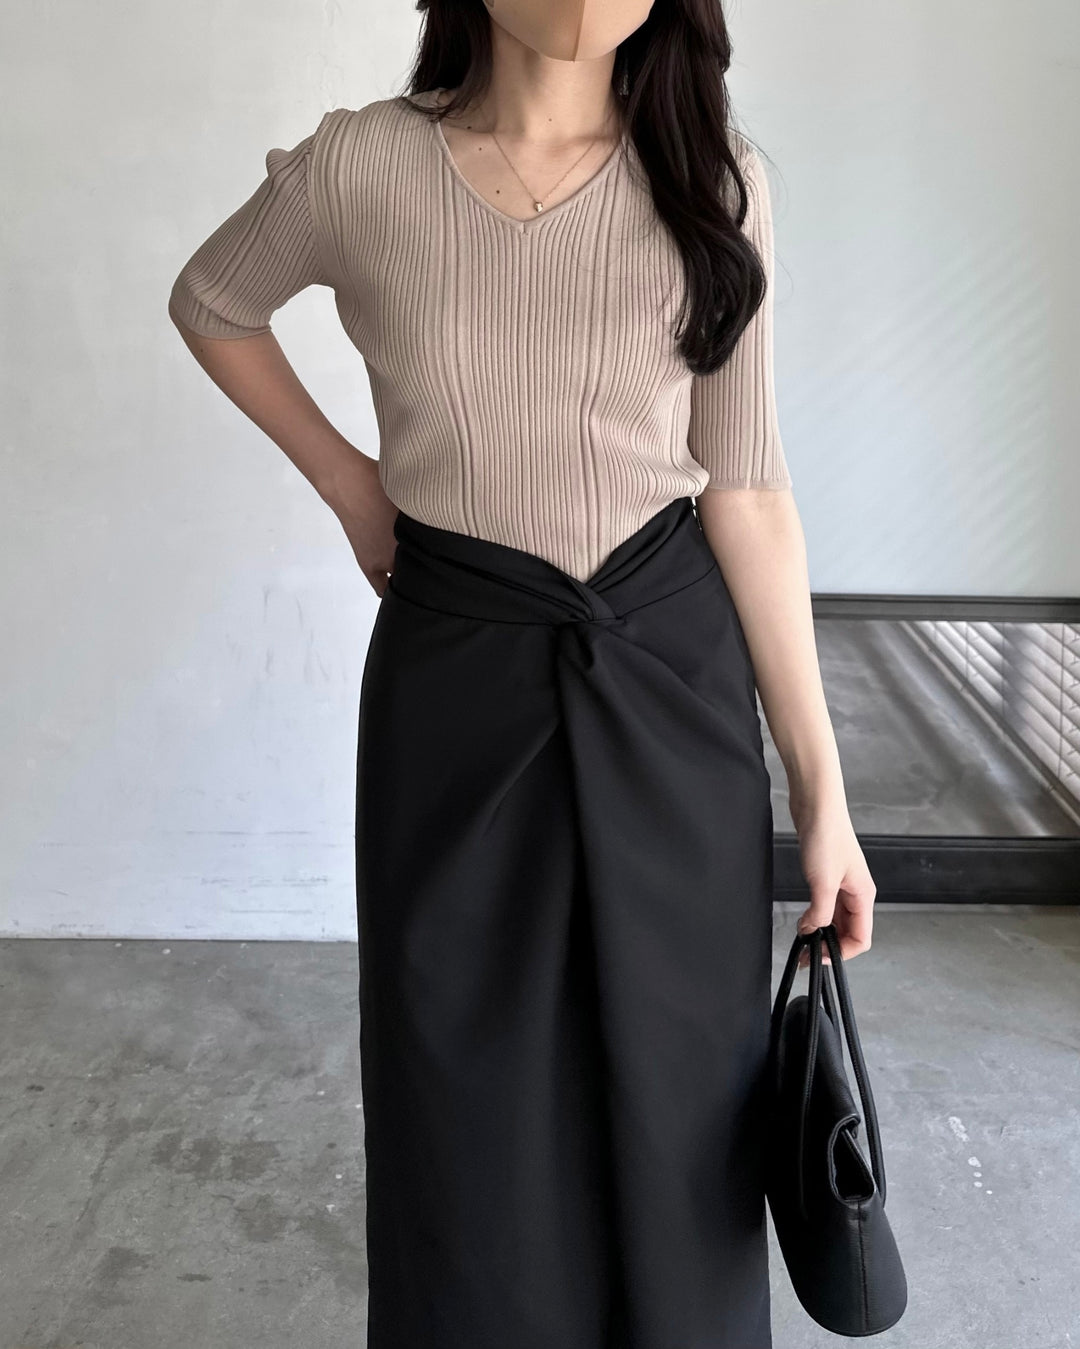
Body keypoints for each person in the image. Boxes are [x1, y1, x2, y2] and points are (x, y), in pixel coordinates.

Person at [168, 1, 877, 1343]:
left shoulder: (713, 181)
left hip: (669, 676)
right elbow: (212, 301)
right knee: (464, 1081)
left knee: (689, 1083)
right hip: (460, 671)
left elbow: (748, 489)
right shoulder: (364, 166)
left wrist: (823, 794)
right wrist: (354, 490)